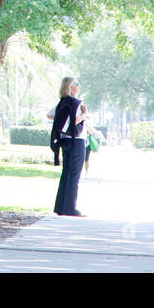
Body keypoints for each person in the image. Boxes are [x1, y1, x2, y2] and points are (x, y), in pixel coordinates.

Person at [49, 76, 88, 216]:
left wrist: (64, 127)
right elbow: (75, 121)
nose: (79, 86)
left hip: (64, 141)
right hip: (76, 141)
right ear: (71, 87)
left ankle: (60, 207)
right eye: (77, 84)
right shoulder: (78, 103)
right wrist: (84, 114)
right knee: (74, 175)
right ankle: (71, 208)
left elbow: (50, 115)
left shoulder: (62, 102)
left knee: (66, 173)